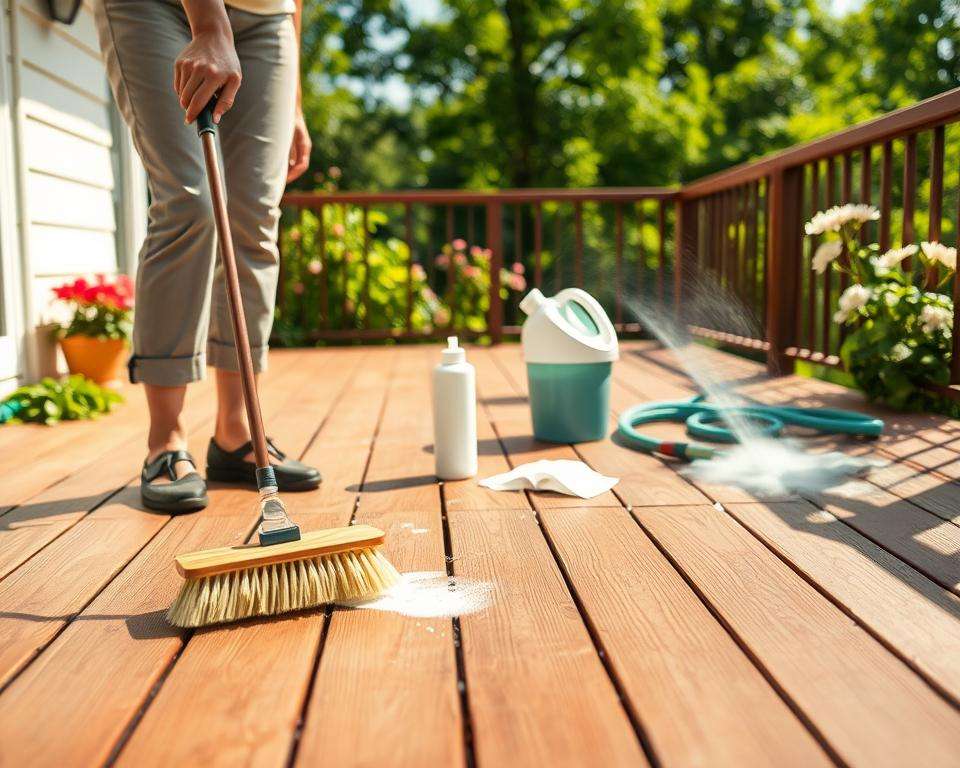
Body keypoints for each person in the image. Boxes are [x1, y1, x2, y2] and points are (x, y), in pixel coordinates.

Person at [94, 0, 321, 513]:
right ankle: (165, 442)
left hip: (268, 20)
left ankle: (237, 436)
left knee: (255, 218)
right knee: (189, 202)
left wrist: (297, 107)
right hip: (158, 7)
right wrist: (211, 25)